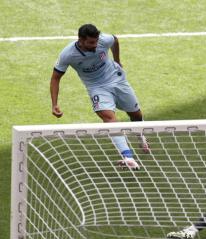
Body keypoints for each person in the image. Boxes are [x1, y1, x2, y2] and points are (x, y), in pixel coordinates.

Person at [50, 24, 148, 170]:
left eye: (96, 41)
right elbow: (55, 78)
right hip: (96, 87)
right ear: (80, 40)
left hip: (116, 79)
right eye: (90, 43)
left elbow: (115, 40)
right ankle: (128, 157)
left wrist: (117, 60)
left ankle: (141, 136)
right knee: (108, 117)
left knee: (136, 114)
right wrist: (54, 104)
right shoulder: (68, 54)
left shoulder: (103, 40)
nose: (95, 45)